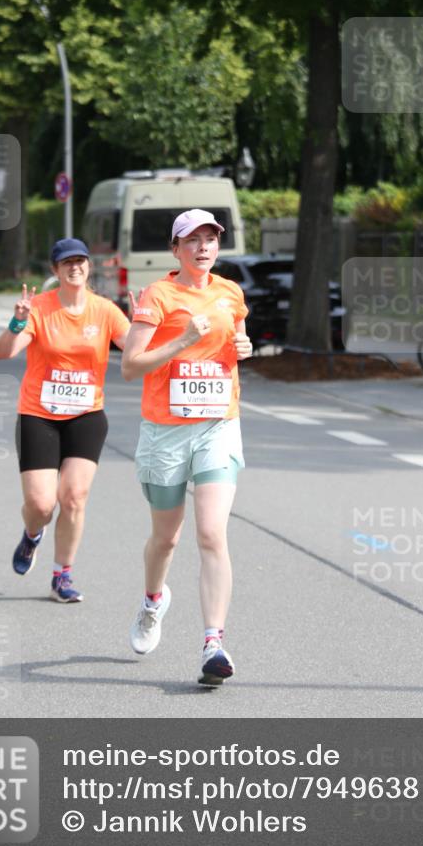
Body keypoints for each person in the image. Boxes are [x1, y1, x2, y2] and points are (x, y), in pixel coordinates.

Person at [121, 209, 252, 685]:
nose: (203, 247)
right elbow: (131, 367)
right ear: (175, 249)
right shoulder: (159, 295)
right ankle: (153, 600)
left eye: (210, 238)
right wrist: (181, 339)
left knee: (212, 534)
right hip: (165, 432)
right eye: (192, 239)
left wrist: (244, 348)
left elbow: (236, 339)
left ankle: (213, 643)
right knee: (167, 538)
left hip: (218, 425)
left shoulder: (230, 292)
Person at [0, 238, 130, 603]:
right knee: (41, 505)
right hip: (39, 415)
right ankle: (32, 534)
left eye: (81, 261)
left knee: (73, 497)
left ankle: (62, 575)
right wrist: (17, 321)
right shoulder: (38, 308)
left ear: (88, 267)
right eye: (66, 262)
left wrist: (150, 323)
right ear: (55, 271)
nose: (75, 267)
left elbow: (136, 350)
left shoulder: (105, 311)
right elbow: (4, 352)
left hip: (86, 415)